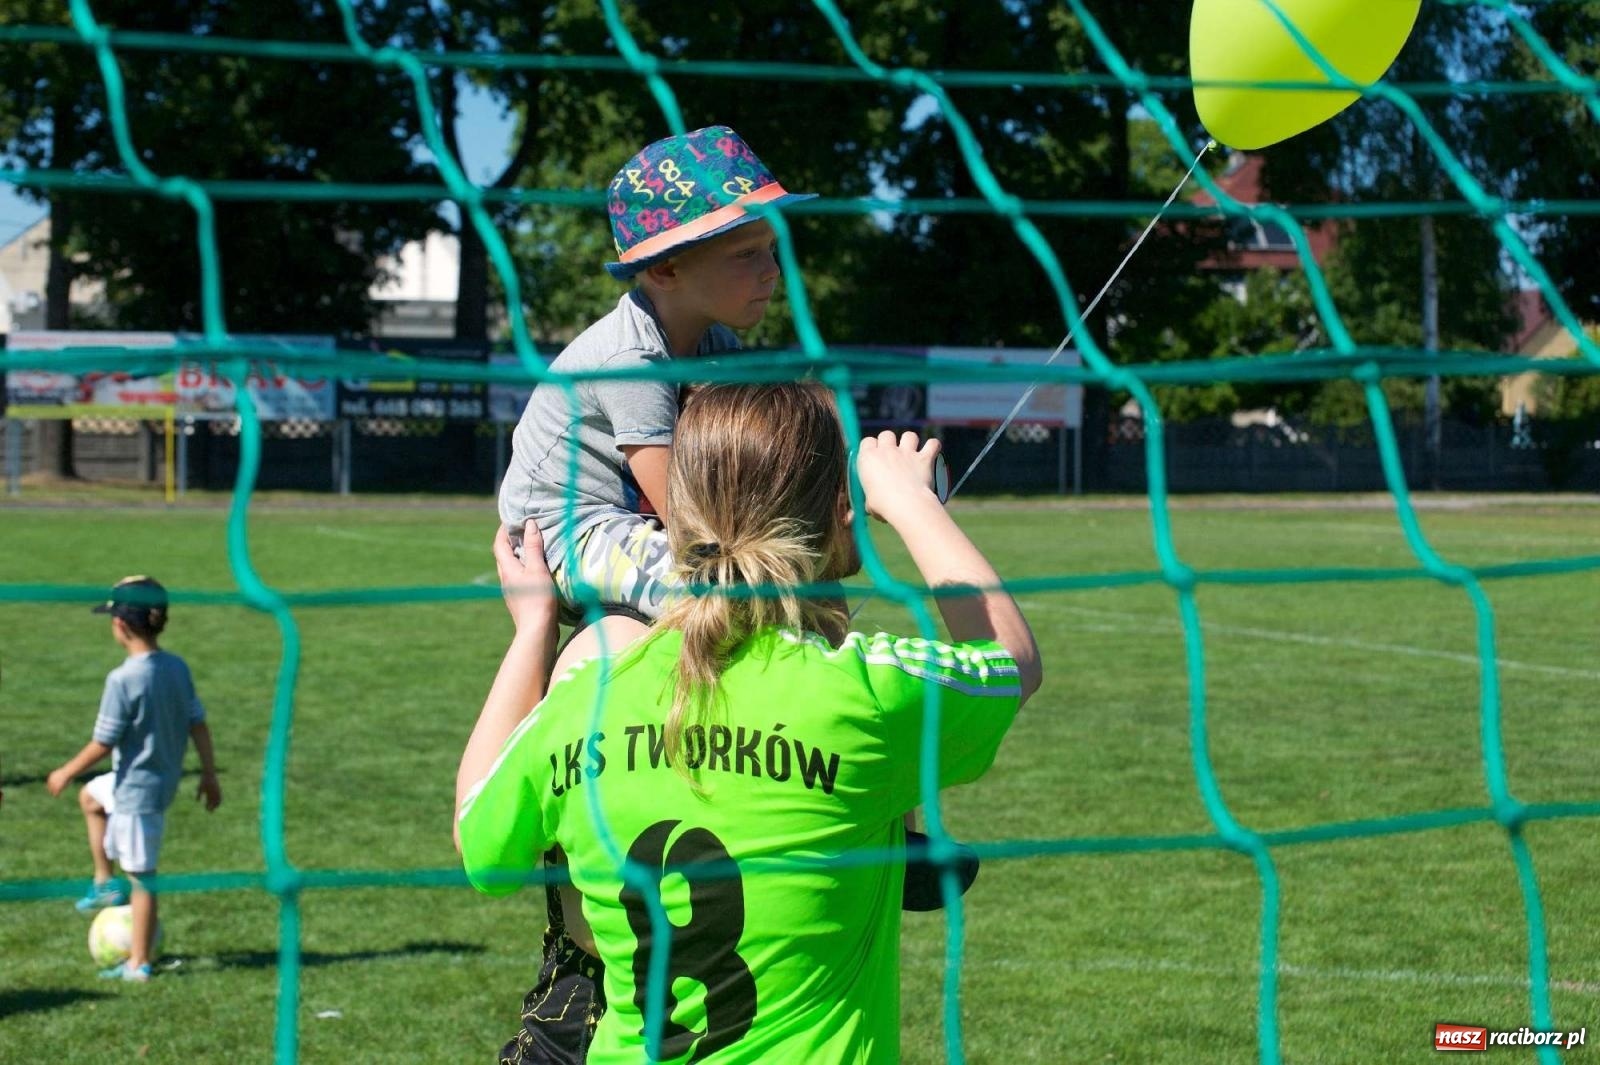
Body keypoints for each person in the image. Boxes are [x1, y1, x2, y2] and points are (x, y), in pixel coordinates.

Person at [458, 382, 1041, 1062]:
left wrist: (533, 631)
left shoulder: (586, 698)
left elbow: (484, 853)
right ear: (838, 507)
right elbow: (1012, 660)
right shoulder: (863, 694)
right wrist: (913, 503)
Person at [496, 123, 814, 623]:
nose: (772, 269)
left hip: (635, 526)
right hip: (568, 537)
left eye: (770, 248)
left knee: (784, 575)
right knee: (734, 595)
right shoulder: (631, 359)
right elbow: (683, 512)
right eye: (746, 253)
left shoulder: (716, 344)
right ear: (665, 270)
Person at [47, 576, 222, 982]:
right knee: (91, 798)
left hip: (137, 795)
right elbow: (198, 723)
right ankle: (104, 883)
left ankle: (138, 962)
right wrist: (209, 773)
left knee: (143, 877)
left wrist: (66, 771)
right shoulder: (176, 667)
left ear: (121, 625)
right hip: (151, 779)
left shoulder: (123, 679)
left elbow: (104, 742)